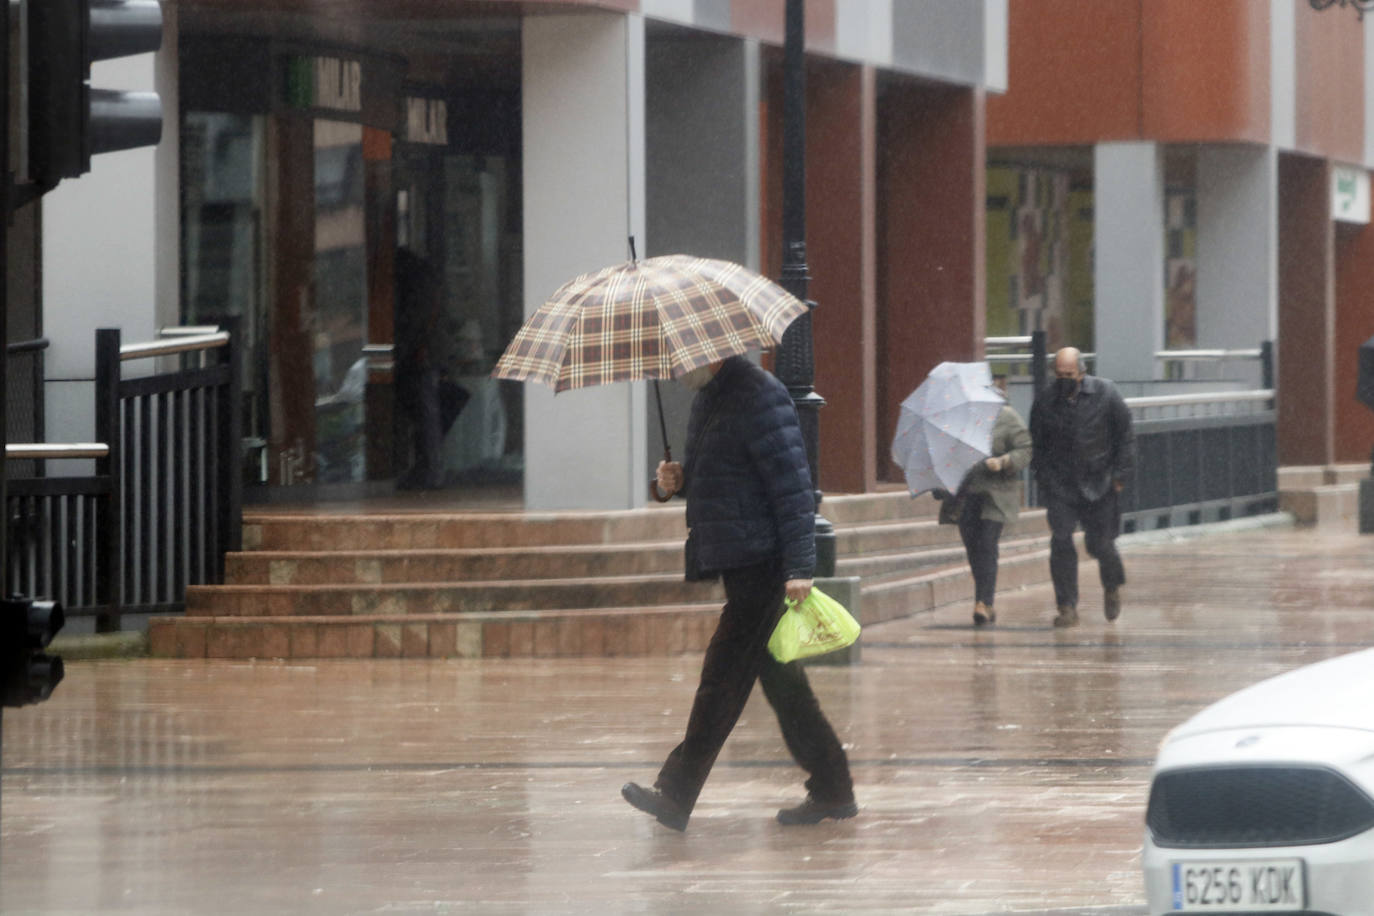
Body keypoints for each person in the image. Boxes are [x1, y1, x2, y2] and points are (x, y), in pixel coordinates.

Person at [621, 355, 856, 831]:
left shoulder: (761, 395)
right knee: (785, 689)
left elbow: (793, 488)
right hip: (741, 560)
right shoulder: (711, 397)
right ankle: (834, 786)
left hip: (764, 566)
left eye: (683, 360)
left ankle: (676, 791)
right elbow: (728, 476)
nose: (677, 369)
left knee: (721, 681)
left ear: (712, 351)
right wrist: (679, 481)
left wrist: (800, 567)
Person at [1029, 347, 1135, 628]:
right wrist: (1044, 479)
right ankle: (1066, 606)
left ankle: (1111, 585)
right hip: (1061, 486)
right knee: (1061, 540)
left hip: (1099, 483)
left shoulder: (1106, 393)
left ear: (1082, 373)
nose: (1065, 379)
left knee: (1101, 544)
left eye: (1070, 375)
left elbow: (1125, 435)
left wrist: (1119, 475)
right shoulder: (1045, 400)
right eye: (1060, 374)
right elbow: (1036, 442)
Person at [934, 375, 1032, 626]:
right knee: (974, 548)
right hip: (966, 495)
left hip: (996, 495)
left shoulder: (1007, 417)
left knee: (988, 545)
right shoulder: (959, 422)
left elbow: (1025, 449)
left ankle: (983, 602)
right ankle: (985, 599)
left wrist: (1003, 462)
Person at [394, 249, 466, 489]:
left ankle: (430, 471)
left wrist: (402, 349)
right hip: (425, 355)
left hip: (422, 357)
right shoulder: (429, 284)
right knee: (425, 415)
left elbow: (417, 321)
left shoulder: (420, 287)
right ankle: (427, 470)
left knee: (426, 415)